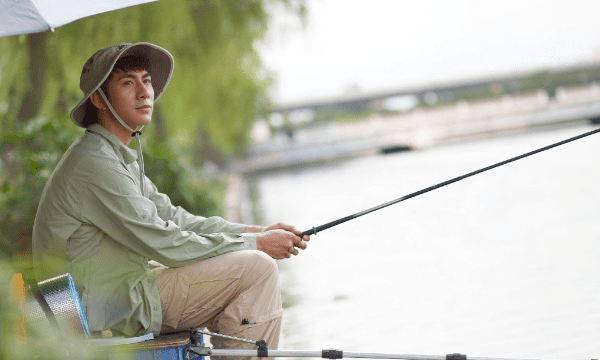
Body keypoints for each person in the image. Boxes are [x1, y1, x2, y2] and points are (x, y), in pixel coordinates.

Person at [31, 42, 309, 354]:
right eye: (127, 83)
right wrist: (259, 246)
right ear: (99, 99)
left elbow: (174, 217)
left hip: (114, 292)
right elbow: (166, 242)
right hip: (97, 309)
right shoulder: (96, 165)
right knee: (257, 270)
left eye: (146, 80)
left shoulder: (113, 155)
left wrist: (252, 232)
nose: (143, 92)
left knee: (239, 262)